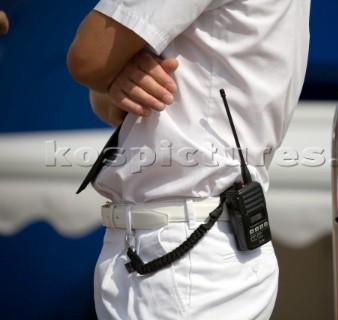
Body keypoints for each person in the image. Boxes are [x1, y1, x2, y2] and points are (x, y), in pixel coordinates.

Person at [67, 1, 310, 319]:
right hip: (184, 249)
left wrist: (111, 71)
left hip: (181, 253)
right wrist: (117, 79)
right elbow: (112, 106)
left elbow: (88, 58)